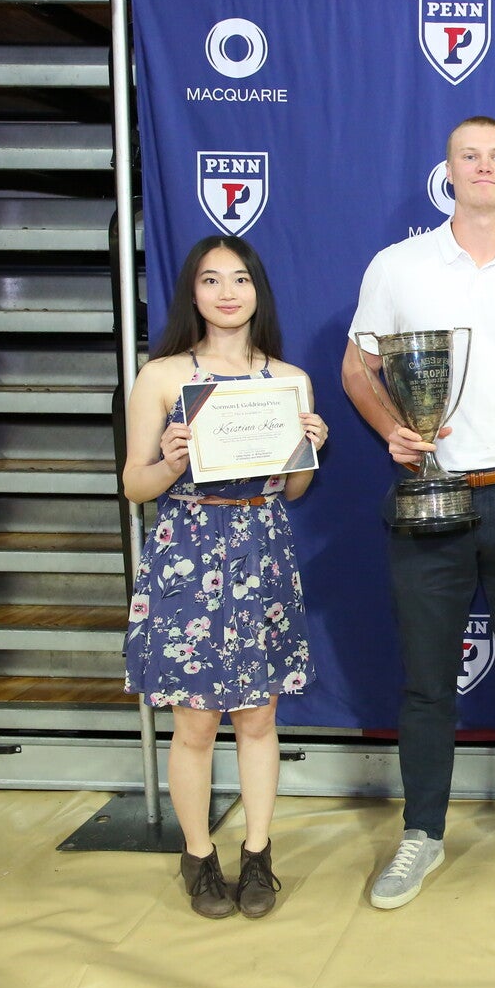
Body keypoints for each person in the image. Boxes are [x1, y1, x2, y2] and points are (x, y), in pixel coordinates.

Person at [342, 116, 495, 909]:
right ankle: (421, 831)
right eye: (468, 156)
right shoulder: (399, 265)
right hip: (428, 496)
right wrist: (391, 428)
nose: (483, 168)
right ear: (447, 172)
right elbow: (356, 364)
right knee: (425, 682)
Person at [123, 235, 328, 920]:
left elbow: (295, 489)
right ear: (193, 293)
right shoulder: (161, 378)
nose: (228, 291)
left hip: (260, 543)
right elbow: (134, 484)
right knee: (195, 719)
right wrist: (173, 459)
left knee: (259, 713)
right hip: (186, 546)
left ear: (257, 290)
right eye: (212, 280)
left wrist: (310, 447)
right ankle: (198, 853)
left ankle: (259, 853)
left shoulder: (290, 379)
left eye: (240, 278)